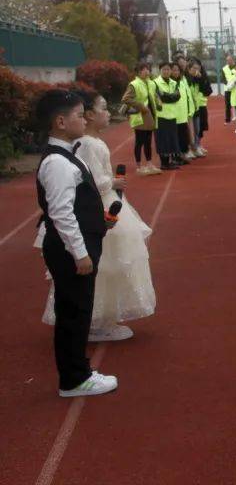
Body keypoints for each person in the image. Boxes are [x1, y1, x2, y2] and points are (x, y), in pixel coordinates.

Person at [43, 90, 156, 341]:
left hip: (105, 201)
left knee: (110, 262)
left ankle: (103, 316)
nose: (108, 114)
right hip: (99, 203)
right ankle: (96, 320)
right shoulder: (87, 145)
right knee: (106, 262)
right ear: (90, 116)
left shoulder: (91, 142)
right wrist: (112, 182)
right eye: (103, 109)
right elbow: (91, 180)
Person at [33, 89, 119, 397]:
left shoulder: (67, 154)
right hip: (70, 250)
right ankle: (74, 378)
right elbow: (60, 214)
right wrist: (80, 253)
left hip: (78, 244)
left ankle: (77, 371)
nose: (84, 120)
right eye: (79, 115)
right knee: (74, 313)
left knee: (77, 310)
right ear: (60, 122)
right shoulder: (57, 162)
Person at [121, 63, 162, 175]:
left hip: (150, 115)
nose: (147, 71)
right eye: (144, 70)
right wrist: (140, 106)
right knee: (139, 141)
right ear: (139, 72)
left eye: (148, 69)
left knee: (148, 141)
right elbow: (126, 98)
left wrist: (158, 102)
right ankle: (139, 166)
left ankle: (149, 164)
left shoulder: (150, 83)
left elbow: (154, 95)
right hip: (140, 116)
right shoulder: (134, 84)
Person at [153, 62, 182, 170]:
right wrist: (169, 97)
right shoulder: (155, 83)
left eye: (168, 70)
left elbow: (177, 96)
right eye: (164, 69)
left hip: (172, 115)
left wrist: (166, 96)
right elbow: (160, 97)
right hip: (161, 116)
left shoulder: (174, 83)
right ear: (160, 71)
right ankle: (164, 163)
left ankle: (169, 161)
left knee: (171, 139)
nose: (166, 71)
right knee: (162, 140)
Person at [222, 54, 236, 123]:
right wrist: (228, 84)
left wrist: (234, 84)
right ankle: (228, 120)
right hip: (227, 89)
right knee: (228, 105)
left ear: (233, 60)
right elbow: (223, 79)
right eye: (227, 60)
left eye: (230, 60)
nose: (228, 61)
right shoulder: (224, 68)